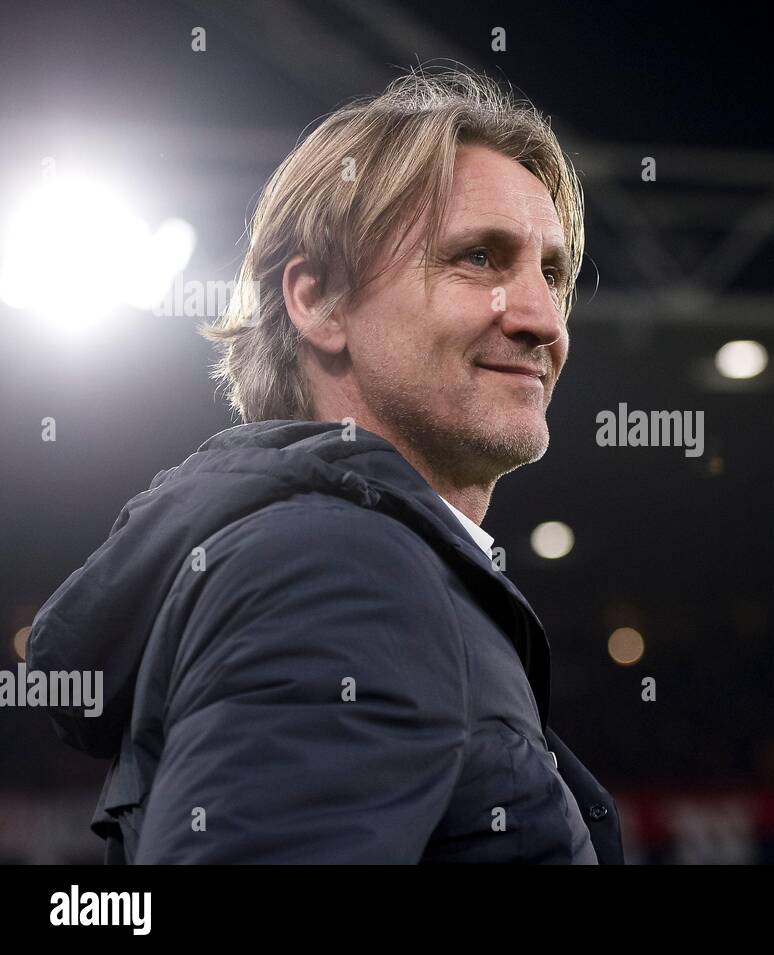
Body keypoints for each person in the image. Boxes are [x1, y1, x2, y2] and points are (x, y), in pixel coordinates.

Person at [26, 68, 623, 864]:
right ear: (319, 302)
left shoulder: (358, 561)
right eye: (479, 257)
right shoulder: (342, 568)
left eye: (551, 273)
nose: (543, 318)